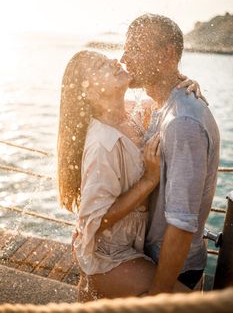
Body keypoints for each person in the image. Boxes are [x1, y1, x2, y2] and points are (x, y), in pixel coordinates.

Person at [57, 50, 201, 301]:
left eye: (107, 58)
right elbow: (95, 220)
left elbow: (164, 99)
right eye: (100, 65)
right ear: (90, 92)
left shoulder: (136, 110)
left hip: (134, 240)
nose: (114, 60)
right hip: (109, 252)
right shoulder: (102, 144)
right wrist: (149, 180)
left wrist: (184, 85)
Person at [119, 14, 220, 293]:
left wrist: (158, 298)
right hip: (155, 259)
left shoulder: (183, 122)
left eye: (135, 48)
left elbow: (182, 224)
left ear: (166, 54)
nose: (124, 56)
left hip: (172, 270)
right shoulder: (165, 105)